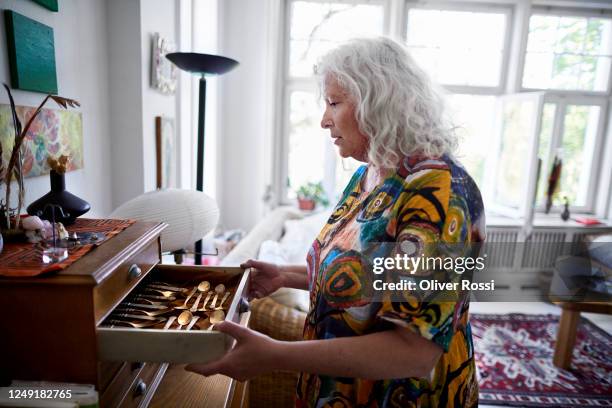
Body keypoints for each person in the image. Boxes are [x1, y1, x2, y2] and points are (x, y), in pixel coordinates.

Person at [186, 37, 485, 407]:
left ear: (380, 102)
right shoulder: (372, 174)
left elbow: (414, 351)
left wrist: (275, 354)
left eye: (334, 102)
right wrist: (286, 275)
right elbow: (368, 276)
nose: (325, 119)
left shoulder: (440, 194)